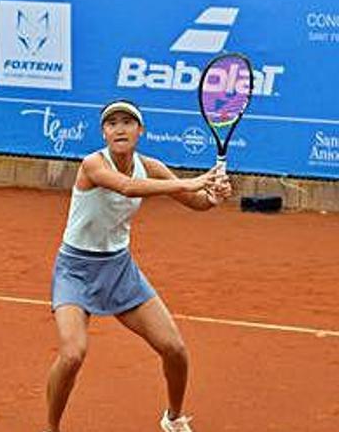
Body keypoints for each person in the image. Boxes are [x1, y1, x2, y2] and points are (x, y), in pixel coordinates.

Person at [44, 99, 232, 432]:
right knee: (73, 354)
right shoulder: (92, 164)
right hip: (75, 270)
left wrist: (214, 196)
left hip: (119, 270)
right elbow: (128, 187)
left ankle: (173, 418)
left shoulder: (152, 167)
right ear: (104, 132)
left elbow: (197, 204)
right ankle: (51, 428)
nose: (119, 128)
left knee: (174, 349)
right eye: (112, 123)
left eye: (127, 123)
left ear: (140, 130)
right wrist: (189, 181)